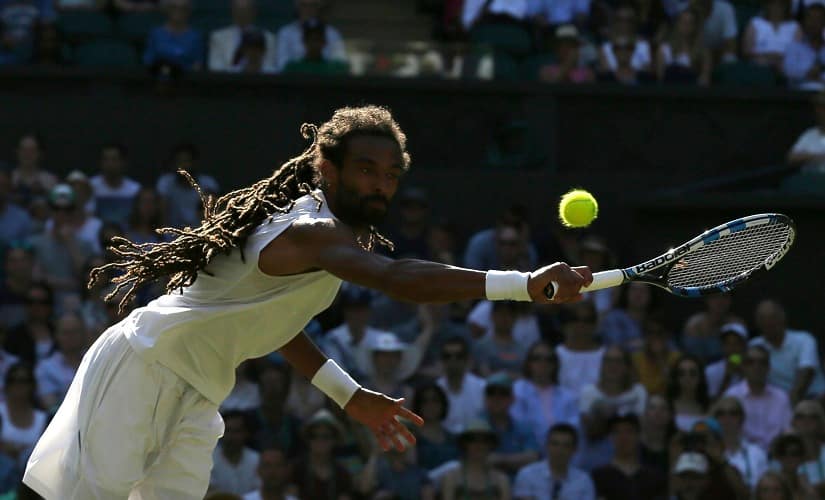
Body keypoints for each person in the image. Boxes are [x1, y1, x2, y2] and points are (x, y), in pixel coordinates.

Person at [23, 105, 592, 499]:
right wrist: (523, 283)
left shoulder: (324, 239)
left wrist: (349, 396)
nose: (380, 185)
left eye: (391, 175)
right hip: (144, 366)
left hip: (196, 391)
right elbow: (397, 278)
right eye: (366, 169)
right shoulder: (311, 231)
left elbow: (276, 327)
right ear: (327, 167)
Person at [750, 299, 825, 403]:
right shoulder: (754, 345)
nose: (768, 322)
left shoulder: (804, 339)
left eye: (772, 317)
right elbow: (737, 360)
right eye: (762, 318)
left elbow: (807, 372)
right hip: (779, 403)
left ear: (783, 317)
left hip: (814, 398)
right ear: (757, 322)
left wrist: (793, 402)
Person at [511, 341, 580, 447]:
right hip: (528, 450)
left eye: (548, 359)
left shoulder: (568, 396)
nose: (543, 363)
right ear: (529, 363)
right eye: (537, 358)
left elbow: (572, 427)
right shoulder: (517, 390)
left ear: (555, 364)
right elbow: (518, 425)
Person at [724, 345, 792, 450]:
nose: (757, 367)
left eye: (762, 362)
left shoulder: (781, 397)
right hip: (741, 456)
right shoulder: (732, 396)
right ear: (743, 367)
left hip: (776, 456)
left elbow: (787, 431)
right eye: (750, 362)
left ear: (769, 367)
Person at [591, 414, 667, 499]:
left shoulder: (654, 477)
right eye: (617, 432)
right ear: (611, 438)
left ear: (638, 436)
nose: (623, 437)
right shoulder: (599, 477)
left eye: (629, 431)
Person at [513, 423, 596, 500]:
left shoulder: (583, 481)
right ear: (546, 445)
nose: (559, 450)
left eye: (566, 446)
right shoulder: (527, 475)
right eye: (555, 444)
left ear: (574, 450)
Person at [481, 372, 541, 477]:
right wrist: (516, 460)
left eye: (503, 393)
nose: (497, 398)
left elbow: (532, 458)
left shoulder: (524, 427)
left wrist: (500, 460)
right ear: (485, 398)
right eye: (491, 393)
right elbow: (477, 461)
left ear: (512, 399)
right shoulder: (476, 426)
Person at [440, 419, 510, 500]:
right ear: (464, 444)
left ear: (491, 445)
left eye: (484, 440)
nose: (479, 445)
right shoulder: (451, 478)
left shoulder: (501, 480)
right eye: (472, 439)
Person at [712, 396, 768, 490]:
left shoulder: (756, 453)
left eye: (733, 413)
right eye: (721, 414)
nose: (727, 418)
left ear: (742, 418)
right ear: (715, 419)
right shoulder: (708, 453)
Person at [208, 0, 277, 72]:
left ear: (253, 12)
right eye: (239, 10)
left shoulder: (268, 38)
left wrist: (256, 68)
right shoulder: (218, 38)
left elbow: (271, 69)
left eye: (245, 10)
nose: (242, 14)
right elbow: (215, 69)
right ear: (233, 11)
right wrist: (242, 69)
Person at [209, 411, 260, 496]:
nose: (231, 436)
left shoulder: (256, 460)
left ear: (246, 433)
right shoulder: (209, 459)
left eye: (237, 431)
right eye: (228, 431)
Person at [667, 354, 711, 431]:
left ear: (700, 377)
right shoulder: (666, 406)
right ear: (676, 377)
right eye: (681, 374)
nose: (687, 378)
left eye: (692, 373)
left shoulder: (710, 406)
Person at [705, 322, 748, 399]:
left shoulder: (756, 367)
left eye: (736, 343)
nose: (732, 348)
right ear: (722, 346)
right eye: (728, 343)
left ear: (744, 345)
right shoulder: (711, 371)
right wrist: (727, 377)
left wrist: (744, 374)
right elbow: (713, 405)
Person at [791, 400, 825, 497]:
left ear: (821, 422)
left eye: (813, 417)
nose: (806, 421)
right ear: (793, 422)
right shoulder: (783, 454)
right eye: (800, 416)